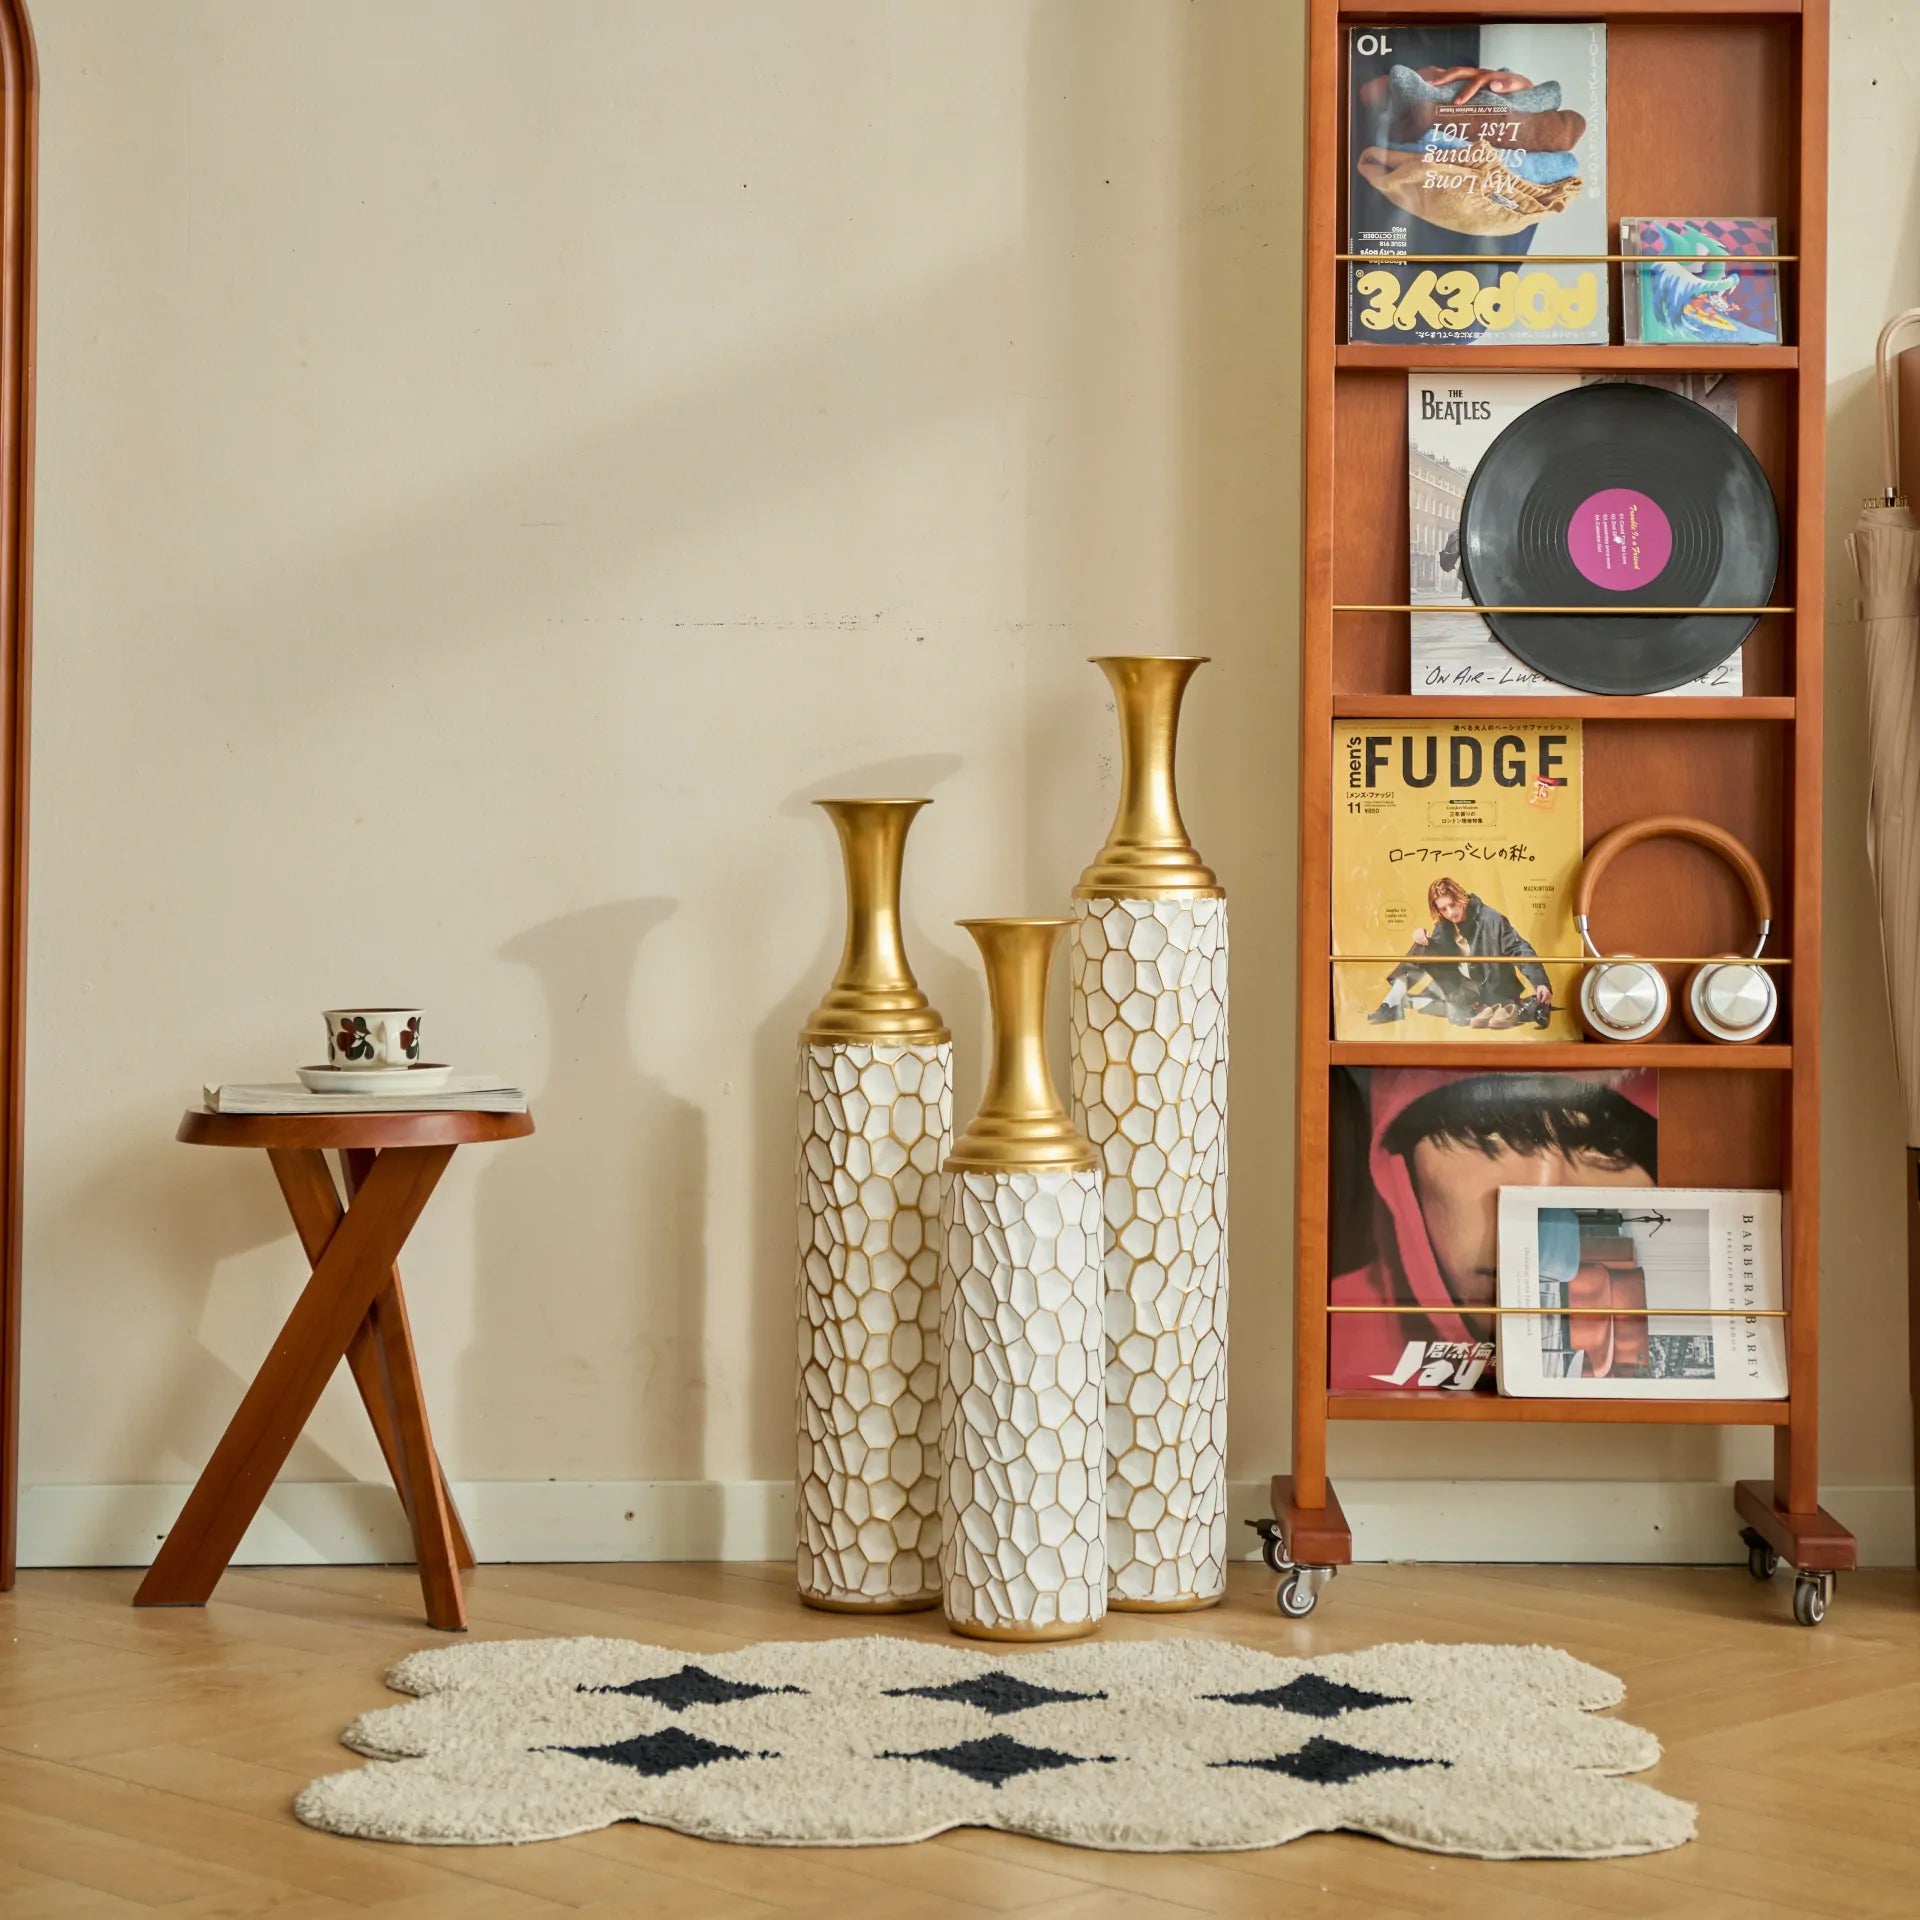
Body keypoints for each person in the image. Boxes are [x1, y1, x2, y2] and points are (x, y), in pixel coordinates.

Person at [1330, 1069, 1658, 1389]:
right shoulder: (1320, 1331)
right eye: (1484, 1133)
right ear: (1400, 1162)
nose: (1536, 1208)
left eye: (1608, 1145)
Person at [1367, 875, 1553, 1030]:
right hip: (1462, 985)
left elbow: (1518, 948)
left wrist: (1540, 982)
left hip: (1489, 987)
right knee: (1422, 947)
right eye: (1443, 908)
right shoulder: (1444, 922)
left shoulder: (1490, 919)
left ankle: (1410, 1003)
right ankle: (1390, 1004)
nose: (1450, 912)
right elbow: (1436, 950)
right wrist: (1421, 936)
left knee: (1438, 1007)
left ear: (1461, 897)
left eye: (1453, 904)